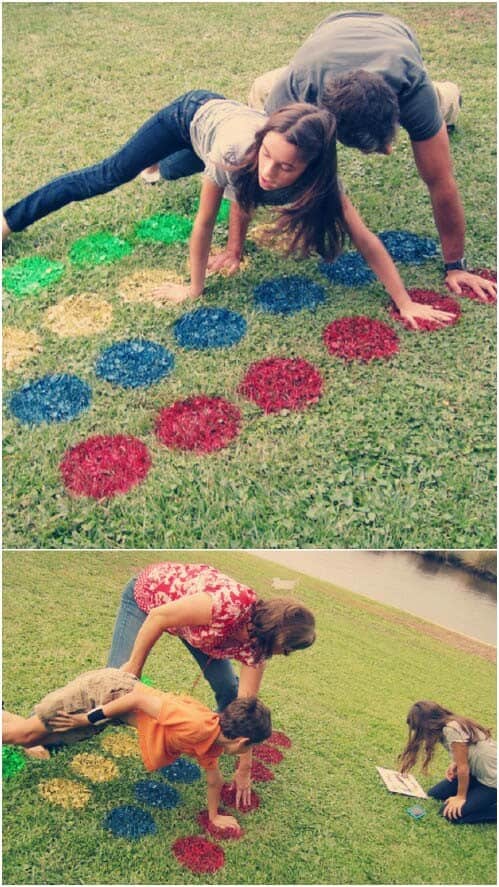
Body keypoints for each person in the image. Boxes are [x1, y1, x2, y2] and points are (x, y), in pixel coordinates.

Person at [3, 90, 455, 326]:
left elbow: (366, 240)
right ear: (262, 143)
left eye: (286, 168)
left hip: (215, 137)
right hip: (190, 116)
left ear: (311, 167)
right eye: (268, 157)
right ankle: (9, 219)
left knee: (181, 168)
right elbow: (204, 226)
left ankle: (166, 165)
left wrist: (405, 301)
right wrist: (194, 288)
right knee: (108, 175)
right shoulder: (238, 155)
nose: (270, 173)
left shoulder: (323, 181)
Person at [172, 11, 493, 303]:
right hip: (332, 36)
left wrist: (456, 265)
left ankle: (450, 96)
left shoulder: (413, 91)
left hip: (396, 41)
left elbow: (441, 182)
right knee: (261, 96)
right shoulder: (297, 89)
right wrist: (234, 248)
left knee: (438, 106)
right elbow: (251, 169)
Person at [106, 561, 313, 805]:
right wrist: (133, 669)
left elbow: (246, 706)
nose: (285, 654)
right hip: (150, 600)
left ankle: (214, 736)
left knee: (229, 689)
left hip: (201, 633)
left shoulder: (259, 649)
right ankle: (71, 722)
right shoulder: (229, 606)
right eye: (287, 648)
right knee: (115, 685)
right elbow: (159, 617)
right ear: (276, 633)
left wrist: (244, 768)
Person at [2, 666, 272, 831]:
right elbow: (139, 698)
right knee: (24, 736)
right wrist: (88, 718)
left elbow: (215, 780)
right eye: (250, 748)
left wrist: (215, 816)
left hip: (114, 710)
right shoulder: (197, 726)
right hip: (105, 694)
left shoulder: (212, 743)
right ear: (241, 742)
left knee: (37, 735)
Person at [398, 700, 497, 825]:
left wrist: (460, 797)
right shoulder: (447, 725)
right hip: (478, 774)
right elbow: (467, 750)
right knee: (435, 794)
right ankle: (477, 793)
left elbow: (464, 768)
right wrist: (455, 763)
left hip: (493, 782)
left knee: (450, 814)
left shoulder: (451, 729)